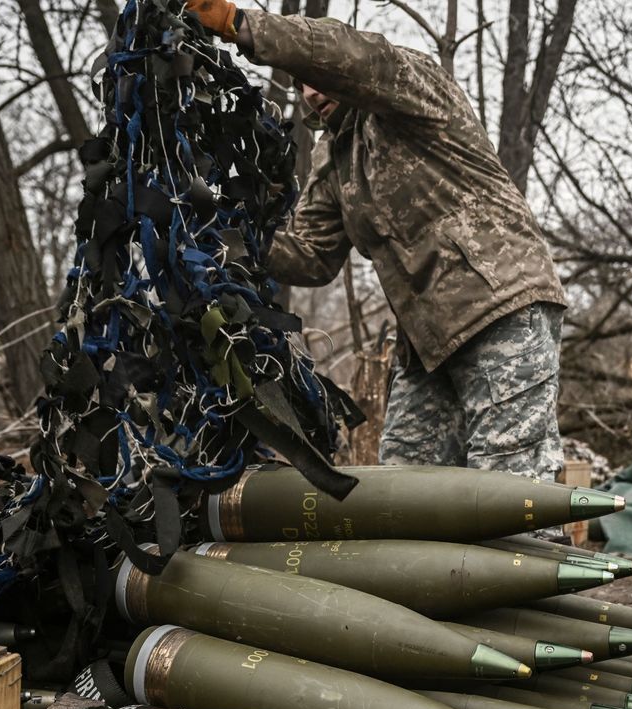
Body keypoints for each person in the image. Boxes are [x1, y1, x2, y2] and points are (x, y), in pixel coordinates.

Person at [187, 1, 568, 483]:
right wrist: (225, 236)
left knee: (511, 482)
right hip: (427, 346)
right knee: (405, 488)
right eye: (301, 86)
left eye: (314, 77)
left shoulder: (408, 85)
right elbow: (311, 254)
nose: (310, 93)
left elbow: (353, 56)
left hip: (501, 306)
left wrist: (238, 24)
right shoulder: (334, 156)